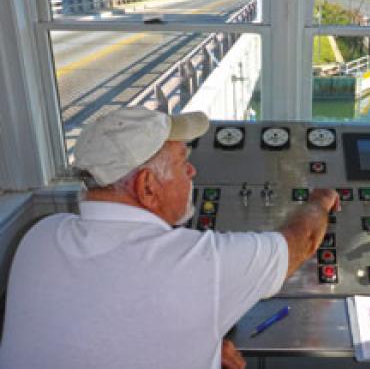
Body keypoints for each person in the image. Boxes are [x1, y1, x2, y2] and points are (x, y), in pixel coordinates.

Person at [0, 107, 338, 369]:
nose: (192, 171)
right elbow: (304, 239)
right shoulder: (202, 264)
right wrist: (320, 201)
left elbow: (98, 322)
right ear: (147, 187)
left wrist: (196, 336)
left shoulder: (40, 235)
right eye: (182, 161)